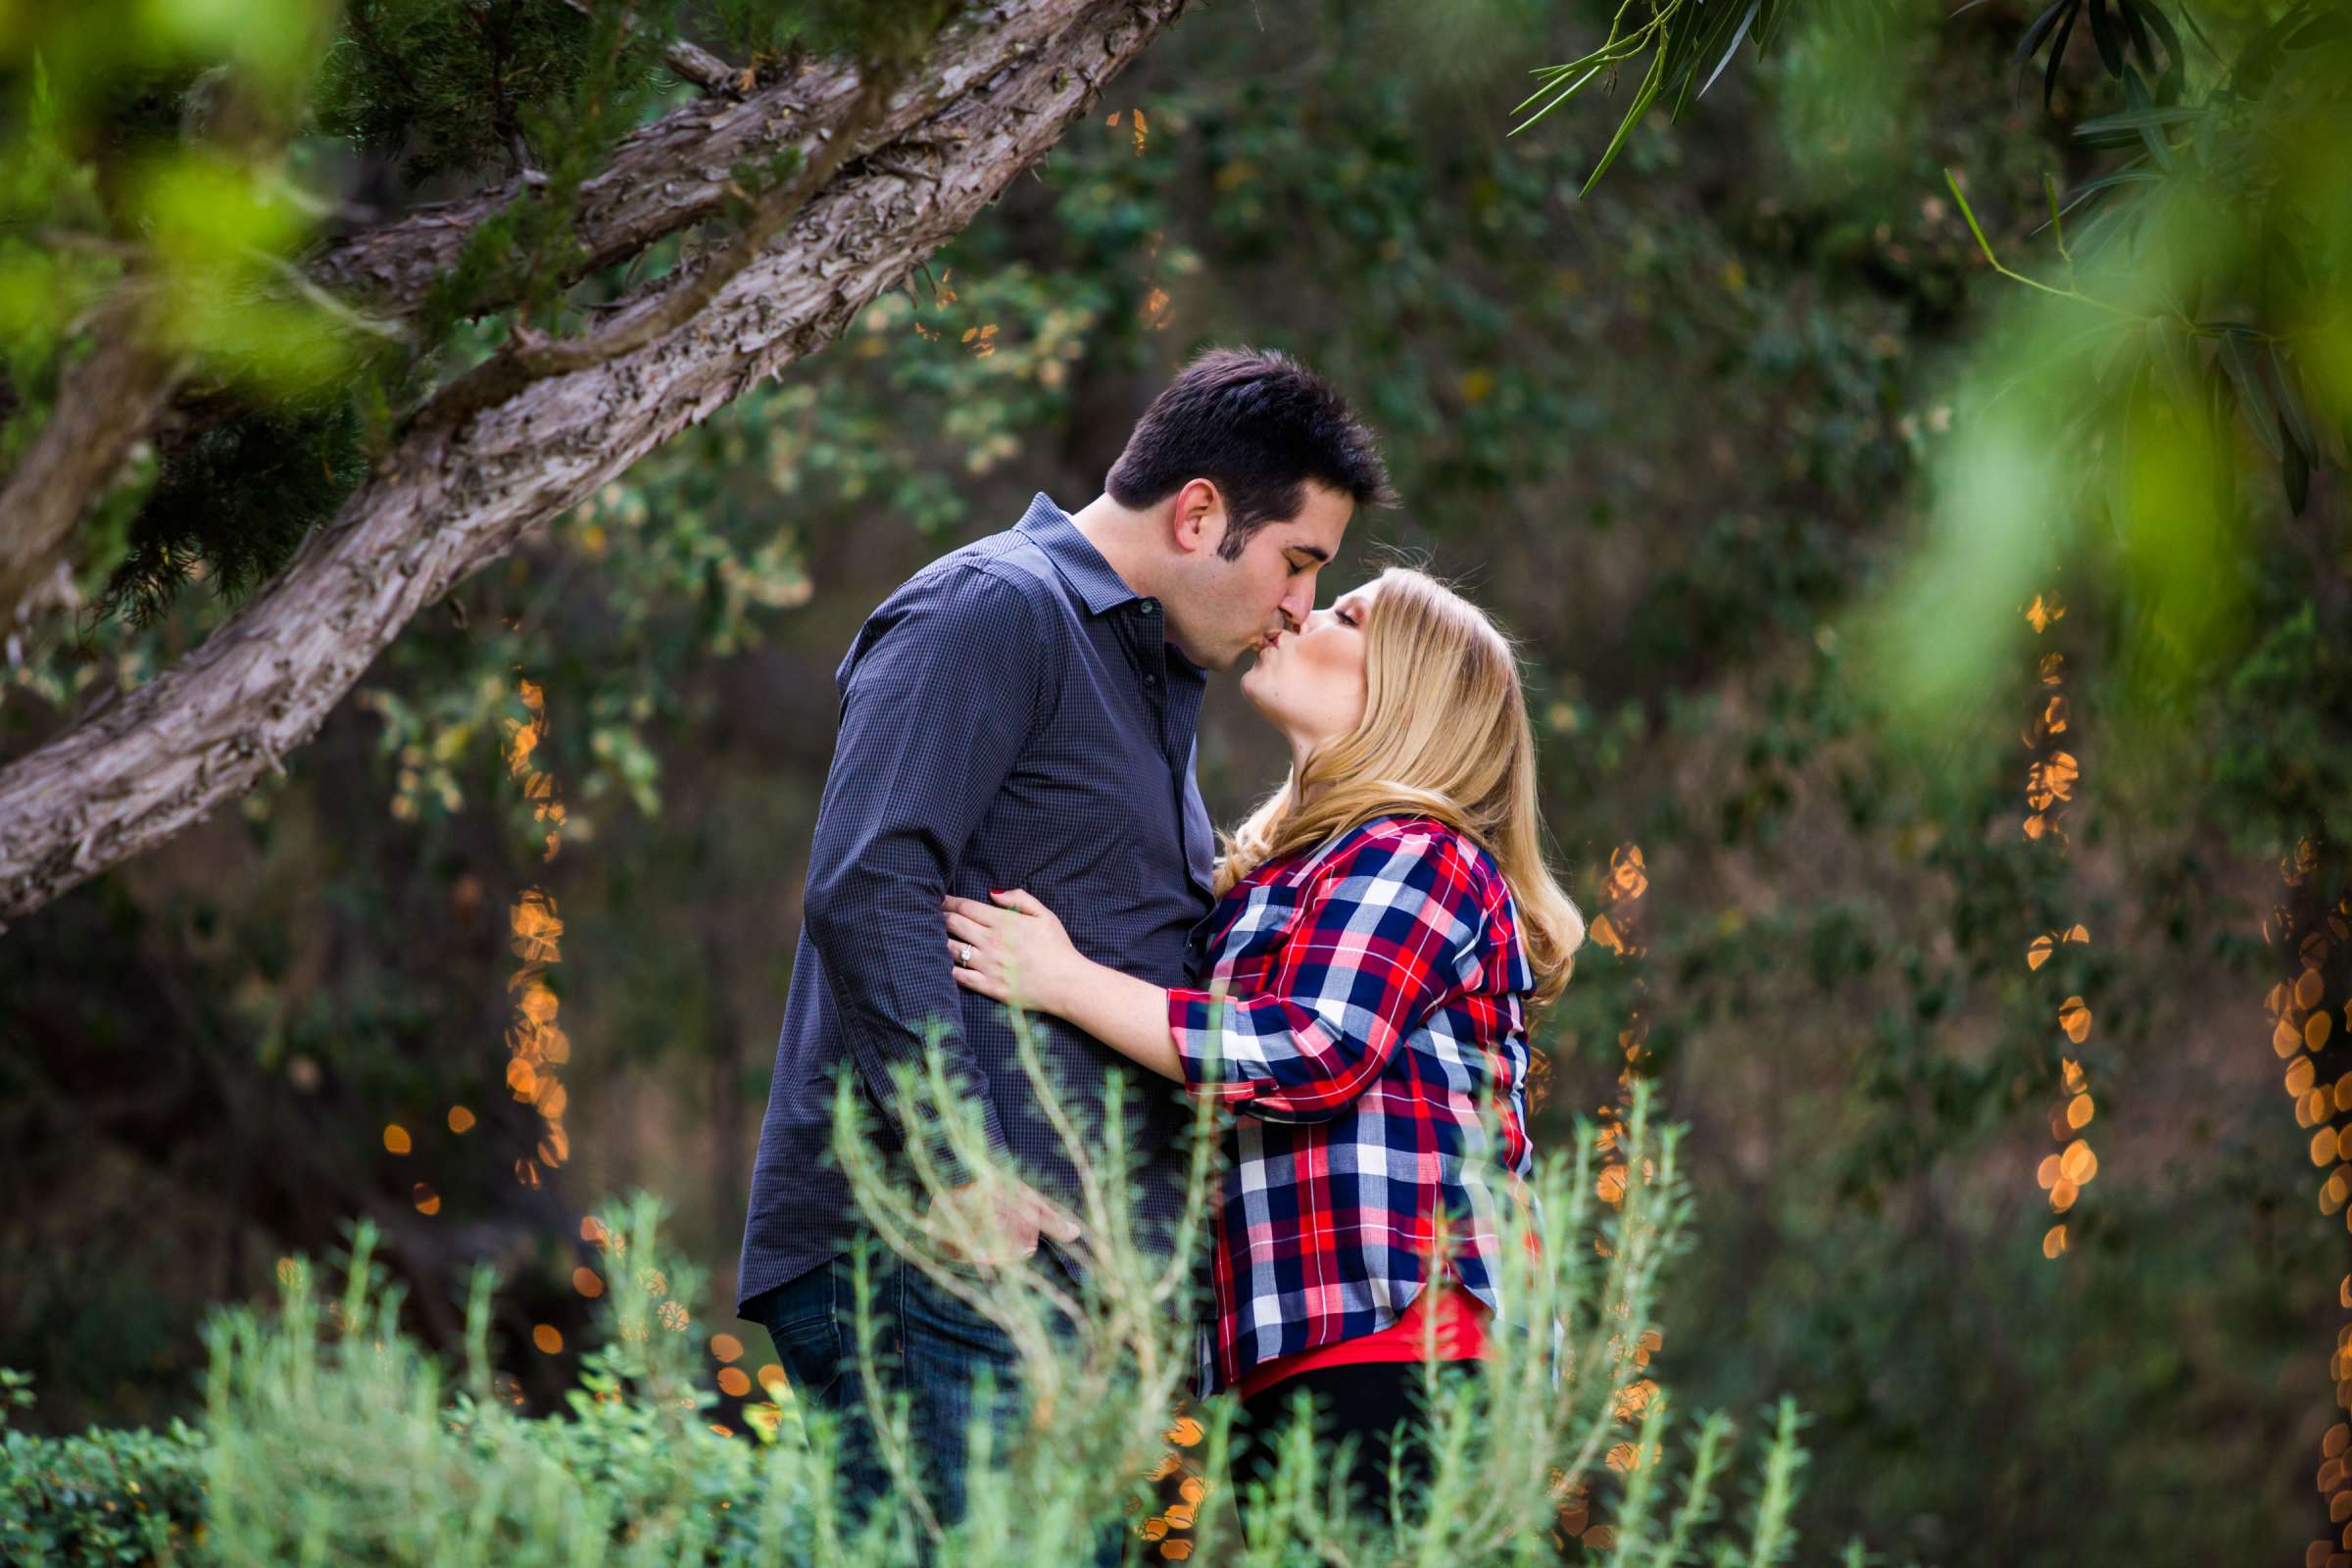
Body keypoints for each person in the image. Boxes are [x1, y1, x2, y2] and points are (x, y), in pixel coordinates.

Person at [735, 347, 1395, 1540]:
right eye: (1299, 561)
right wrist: (961, 1159)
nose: (1300, 605)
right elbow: (867, 874)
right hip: (939, 1258)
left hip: (1067, 1295)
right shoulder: (996, 606)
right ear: (1201, 513)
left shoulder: (1149, 678)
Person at [942, 564, 1586, 1518]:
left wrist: (1068, 980)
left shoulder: (1420, 849)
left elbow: (1309, 1050)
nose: (1301, 610)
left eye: (1346, 611)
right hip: (1293, 1352)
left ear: (1402, 688)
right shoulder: (1284, 877)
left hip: (1413, 1347)